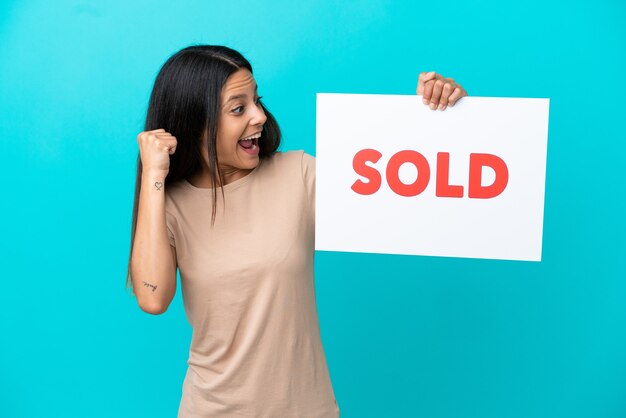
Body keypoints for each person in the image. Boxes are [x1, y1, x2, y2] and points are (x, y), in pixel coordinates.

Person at [126, 45, 467, 418]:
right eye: (238, 108)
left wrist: (438, 119)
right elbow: (153, 299)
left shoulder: (299, 175)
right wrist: (153, 177)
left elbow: (406, 203)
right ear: (195, 123)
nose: (259, 116)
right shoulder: (170, 204)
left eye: (257, 101)